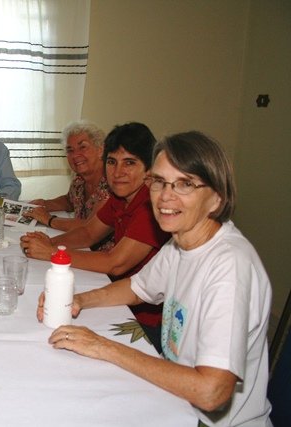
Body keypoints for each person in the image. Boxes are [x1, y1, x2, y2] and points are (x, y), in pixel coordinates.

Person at [38, 131, 272, 426]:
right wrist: (77, 300)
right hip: (173, 400)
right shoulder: (181, 243)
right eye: (159, 181)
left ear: (217, 198)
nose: (165, 196)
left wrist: (104, 347)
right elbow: (136, 288)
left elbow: (212, 392)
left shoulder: (230, 267)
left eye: (184, 184)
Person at [21, 122, 170, 344]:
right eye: (112, 162)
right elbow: (88, 234)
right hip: (117, 295)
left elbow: (115, 263)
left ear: (149, 170)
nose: (118, 172)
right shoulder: (120, 198)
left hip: (145, 318)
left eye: (129, 163)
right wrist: (47, 242)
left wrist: (52, 252)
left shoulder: (151, 204)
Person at [25, 120, 113, 251]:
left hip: (101, 256)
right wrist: (45, 204)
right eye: (70, 150)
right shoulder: (79, 178)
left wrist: (49, 219)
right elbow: (70, 200)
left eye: (82, 147)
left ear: (100, 150)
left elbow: (90, 227)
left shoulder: (112, 184)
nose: (75, 155)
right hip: (79, 245)